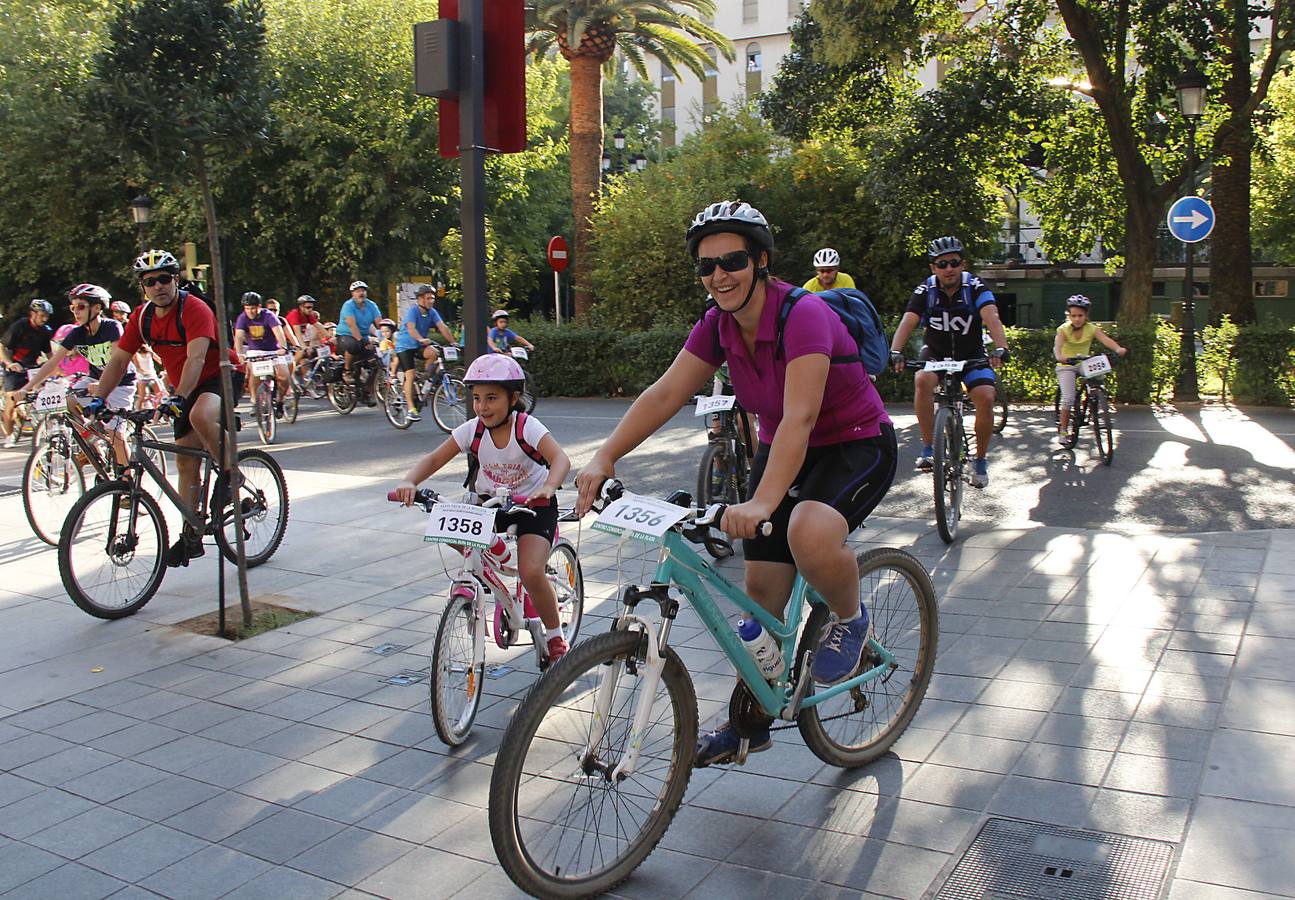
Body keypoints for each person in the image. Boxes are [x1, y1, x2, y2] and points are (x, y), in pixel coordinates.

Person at [574, 200, 898, 766]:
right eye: (707, 265)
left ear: (762, 261)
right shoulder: (717, 324)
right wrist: (605, 456)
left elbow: (800, 416)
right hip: (784, 446)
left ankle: (850, 619)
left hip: (854, 439)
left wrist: (763, 501)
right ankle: (750, 724)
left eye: (733, 260)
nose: (719, 274)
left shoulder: (803, 315)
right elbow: (667, 393)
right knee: (761, 605)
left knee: (809, 530)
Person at [394, 354, 573, 662]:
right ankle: (497, 574)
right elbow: (435, 458)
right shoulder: (473, 430)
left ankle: (556, 636)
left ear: (513, 398)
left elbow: (561, 460)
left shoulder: (526, 427)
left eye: (492, 398)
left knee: (531, 571)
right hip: (490, 504)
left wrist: (548, 487)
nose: (482, 406)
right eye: (477, 398)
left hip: (533, 505)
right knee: (446, 526)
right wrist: (410, 481)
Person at [88, 249, 243, 567]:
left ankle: (231, 475)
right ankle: (191, 536)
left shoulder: (194, 309)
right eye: (150, 281)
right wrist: (99, 398)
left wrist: (178, 397)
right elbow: (119, 359)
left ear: (175, 279)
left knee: (201, 415)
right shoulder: (141, 318)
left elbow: (197, 358)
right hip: (184, 389)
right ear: (142, 287)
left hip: (221, 375)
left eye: (164, 279)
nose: (158, 286)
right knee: (186, 465)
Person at [888, 236, 1009, 488]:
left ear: (962, 264)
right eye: (942, 264)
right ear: (933, 268)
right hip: (936, 354)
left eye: (954, 262)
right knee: (922, 379)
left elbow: (992, 317)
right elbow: (908, 320)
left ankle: (980, 460)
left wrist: (1001, 347)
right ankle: (928, 448)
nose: (949, 269)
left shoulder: (975, 285)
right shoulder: (925, 290)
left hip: (971, 355)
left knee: (986, 396)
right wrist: (895, 351)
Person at [21, 284, 135, 466]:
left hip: (120, 382)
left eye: (81, 306)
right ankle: (91, 441)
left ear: (97, 308)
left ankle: (127, 482)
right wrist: (26, 388)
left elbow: (118, 362)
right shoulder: (77, 333)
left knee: (116, 434)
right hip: (93, 379)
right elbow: (52, 362)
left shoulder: (112, 327)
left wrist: (102, 386)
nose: (76, 311)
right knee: (67, 401)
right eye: (73, 307)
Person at [1054, 295, 1126, 447]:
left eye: (1080, 315)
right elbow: (1058, 347)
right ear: (1069, 316)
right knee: (1068, 398)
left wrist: (1117, 348)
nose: (1077, 319)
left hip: (1083, 362)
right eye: (1073, 315)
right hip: (1067, 364)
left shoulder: (1092, 329)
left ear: (1086, 316)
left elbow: (1106, 340)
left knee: (1098, 374)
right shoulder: (1063, 329)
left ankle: (1095, 396)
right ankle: (1063, 430)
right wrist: (1060, 357)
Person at [395, 284, 456, 422]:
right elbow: (411, 329)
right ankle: (411, 409)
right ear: (420, 299)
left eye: (432, 298)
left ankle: (424, 379)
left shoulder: (432, 312)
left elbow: (443, 327)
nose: (431, 301)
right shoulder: (413, 311)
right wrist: (420, 339)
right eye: (428, 298)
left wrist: (453, 342)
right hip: (404, 346)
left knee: (433, 352)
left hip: (418, 345)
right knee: (409, 375)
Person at [1, 299, 53, 448]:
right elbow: (2, 347)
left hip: (33, 367)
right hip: (15, 366)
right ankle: (9, 435)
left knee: (41, 395)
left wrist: (56, 368)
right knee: (12, 401)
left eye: (47, 316)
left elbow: (49, 353)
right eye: (42, 315)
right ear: (33, 313)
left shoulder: (45, 331)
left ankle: (40, 425)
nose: (44, 319)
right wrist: (9, 363)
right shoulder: (20, 326)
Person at [234, 292, 291, 416]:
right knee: (253, 374)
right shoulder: (243, 318)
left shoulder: (269, 316)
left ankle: (280, 401)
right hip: (255, 351)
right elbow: (238, 337)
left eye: (253, 308)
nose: (250, 311)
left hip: (273, 351)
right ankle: (254, 402)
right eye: (247, 308)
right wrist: (239, 354)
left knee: (284, 376)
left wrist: (282, 347)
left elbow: (279, 332)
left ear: (259, 306)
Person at [335, 280, 382, 385]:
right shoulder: (348, 305)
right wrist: (363, 341)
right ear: (353, 293)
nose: (361, 293)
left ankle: (369, 388)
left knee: (377, 359)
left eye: (363, 291)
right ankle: (346, 371)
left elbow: (380, 323)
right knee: (354, 345)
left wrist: (387, 336)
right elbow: (352, 326)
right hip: (346, 335)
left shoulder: (371, 305)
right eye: (358, 291)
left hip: (364, 336)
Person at [285, 294, 322, 382]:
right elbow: (297, 333)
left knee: (305, 362)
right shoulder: (295, 314)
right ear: (301, 307)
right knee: (300, 353)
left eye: (312, 307)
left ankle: (307, 385)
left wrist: (331, 337)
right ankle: (288, 379)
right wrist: (304, 347)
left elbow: (319, 326)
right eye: (308, 307)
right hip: (286, 339)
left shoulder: (308, 315)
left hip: (296, 340)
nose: (310, 310)